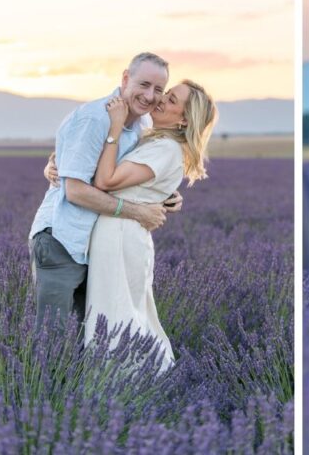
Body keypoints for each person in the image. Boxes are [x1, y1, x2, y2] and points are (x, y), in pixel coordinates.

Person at [29, 53, 181, 330]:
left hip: (99, 248)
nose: (150, 96)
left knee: (90, 343)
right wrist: (138, 212)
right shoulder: (94, 118)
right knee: (52, 341)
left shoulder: (143, 126)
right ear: (125, 78)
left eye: (158, 90)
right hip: (63, 240)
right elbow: (75, 191)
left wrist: (166, 195)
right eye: (144, 84)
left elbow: (134, 176)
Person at [84, 79, 218, 373]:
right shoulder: (155, 141)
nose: (160, 100)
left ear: (184, 119)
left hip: (121, 235)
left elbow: (106, 181)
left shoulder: (166, 148)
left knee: (116, 313)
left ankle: (128, 388)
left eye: (171, 101)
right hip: (121, 231)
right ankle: (135, 386)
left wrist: (114, 128)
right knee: (123, 312)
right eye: (166, 95)